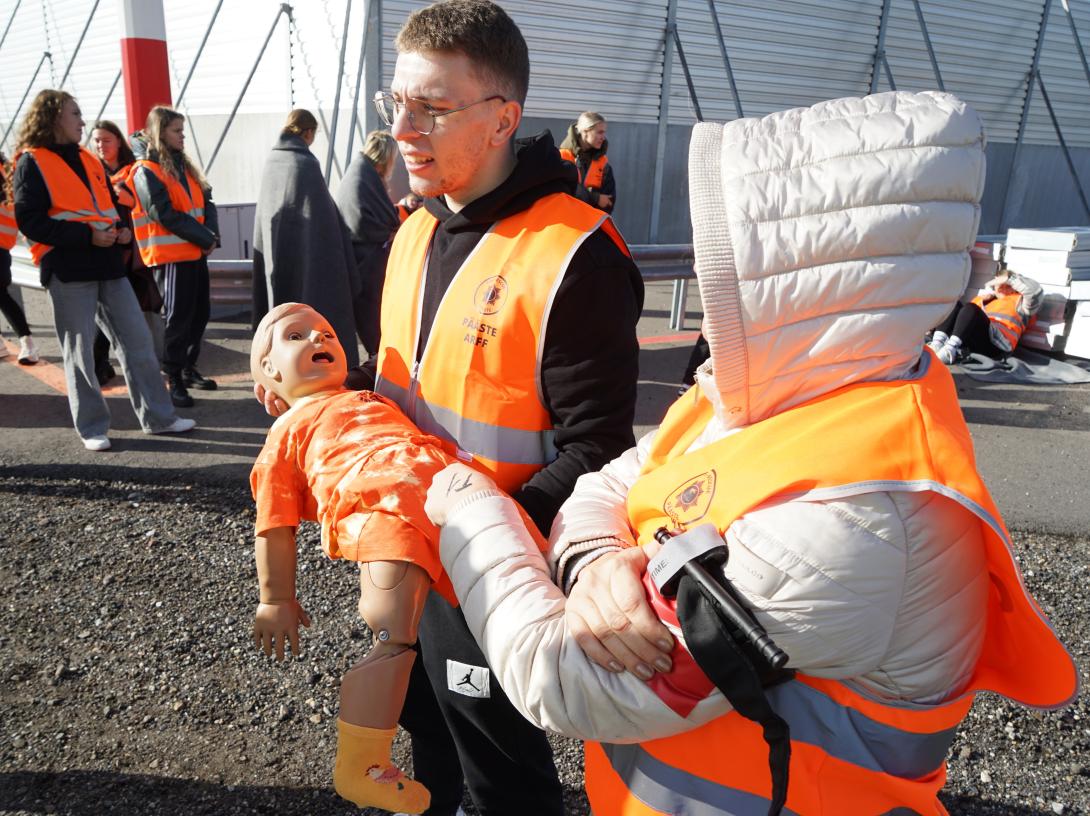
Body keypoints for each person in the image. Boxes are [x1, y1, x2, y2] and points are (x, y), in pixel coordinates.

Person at [421, 92, 1077, 814]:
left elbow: (566, 680)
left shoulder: (862, 518)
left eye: (725, 255)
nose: (709, 278)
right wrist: (601, 562)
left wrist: (474, 513)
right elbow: (608, 486)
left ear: (808, 275)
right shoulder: (769, 397)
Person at [255, 2, 642, 811]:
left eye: (431, 107)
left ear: (503, 119)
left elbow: (599, 452)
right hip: (412, 563)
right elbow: (397, 382)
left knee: (502, 773)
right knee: (428, 742)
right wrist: (314, 414)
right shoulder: (413, 232)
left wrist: (474, 547)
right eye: (394, 103)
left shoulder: (575, 254)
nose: (403, 128)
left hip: (487, 572)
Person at [250, 302, 469, 814]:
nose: (317, 339)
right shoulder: (286, 432)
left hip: (447, 489)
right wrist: (276, 597)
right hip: (381, 500)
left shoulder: (366, 395)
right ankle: (362, 763)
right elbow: (273, 523)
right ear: (269, 373)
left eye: (326, 332)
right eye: (295, 335)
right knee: (394, 629)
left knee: (512, 581)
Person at [11, 90, 195, 451]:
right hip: (68, 268)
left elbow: (107, 205)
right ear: (52, 118)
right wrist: (87, 235)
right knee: (79, 353)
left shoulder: (88, 159)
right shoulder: (31, 162)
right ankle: (92, 427)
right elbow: (29, 220)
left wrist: (120, 231)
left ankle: (160, 418)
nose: (82, 121)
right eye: (75, 113)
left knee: (138, 342)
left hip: (108, 263)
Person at [252, 109, 360, 369]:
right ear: (308, 132)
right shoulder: (305, 164)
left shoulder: (272, 162)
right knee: (311, 313)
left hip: (276, 255)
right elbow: (322, 222)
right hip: (307, 259)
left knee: (282, 318)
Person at [129, 105, 219, 407]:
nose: (183, 136)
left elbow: (207, 200)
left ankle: (187, 368)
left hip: (194, 252)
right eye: (176, 131)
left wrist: (211, 237)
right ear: (160, 132)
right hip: (170, 256)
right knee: (178, 319)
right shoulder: (146, 169)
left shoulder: (182, 165)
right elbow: (162, 213)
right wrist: (206, 237)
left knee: (199, 314)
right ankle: (174, 378)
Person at [90, 120, 164, 384]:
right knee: (104, 317)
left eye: (106, 140)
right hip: (107, 254)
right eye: (97, 140)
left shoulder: (135, 171)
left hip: (137, 254)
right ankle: (100, 365)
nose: (100, 145)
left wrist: (128, 230)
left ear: (118, 141)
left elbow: (146, 208)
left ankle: (151, 367)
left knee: (138, 313)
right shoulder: (92, 171)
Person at [334, 129, 400, 358]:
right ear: (385, 158)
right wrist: (389, 229)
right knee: (372, 318)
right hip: (366, 260)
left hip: (364, 257)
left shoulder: (360, 172)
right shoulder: (363, 175)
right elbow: (362, 220)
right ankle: (380, 358)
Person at [929, 267, 1043, 364]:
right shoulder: (983, 299)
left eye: (1007, 285)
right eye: (1000, 284)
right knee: (954, 305)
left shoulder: (1021, 302)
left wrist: (1010, 279)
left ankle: (949, 351)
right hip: (970, 340)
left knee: (971, 308)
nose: (1003, 288)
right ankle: (936, 345)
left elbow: (1035, 292)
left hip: (996, 346)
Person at [0, 152, 39, 364]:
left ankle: (28, 343)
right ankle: (26, 342)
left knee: (2, 295)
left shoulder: (6, 171)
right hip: (4, 243)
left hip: (1, 244)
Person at [558, 111, 616, 213]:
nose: (603, 137)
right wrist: (596, 198)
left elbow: (608, 203)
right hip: (566, 223)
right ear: (585, 131)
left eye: (604, 132)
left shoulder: (604, 165)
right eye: (599, 132)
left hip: (592, 226)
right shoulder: (562, 157)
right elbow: (561, 193)